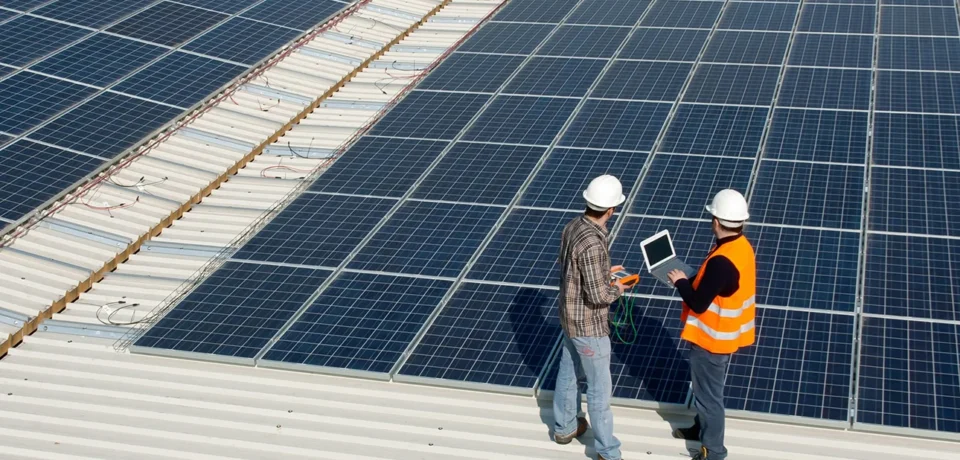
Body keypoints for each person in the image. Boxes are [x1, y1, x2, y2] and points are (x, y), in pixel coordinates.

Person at [666, 189, 756, 460]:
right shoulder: (741, 246)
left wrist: (680, 282)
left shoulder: (722, 261)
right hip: (724, 335)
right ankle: (700, 429)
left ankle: (714, 451)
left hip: (712, 341)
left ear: (716, 221)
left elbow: (698, 304)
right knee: (704, 391)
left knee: (709, 398)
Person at [553, 174, 631, 460]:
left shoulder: (573, 226)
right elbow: (598, 296)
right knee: (599, 390)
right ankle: (608, 452)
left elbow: (574, 269)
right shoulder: (593, 244)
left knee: (568, 373)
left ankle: (565, 428)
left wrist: (604, 272)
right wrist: (618, 288)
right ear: (611, 209)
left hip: (569, 318)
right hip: (589, 327)